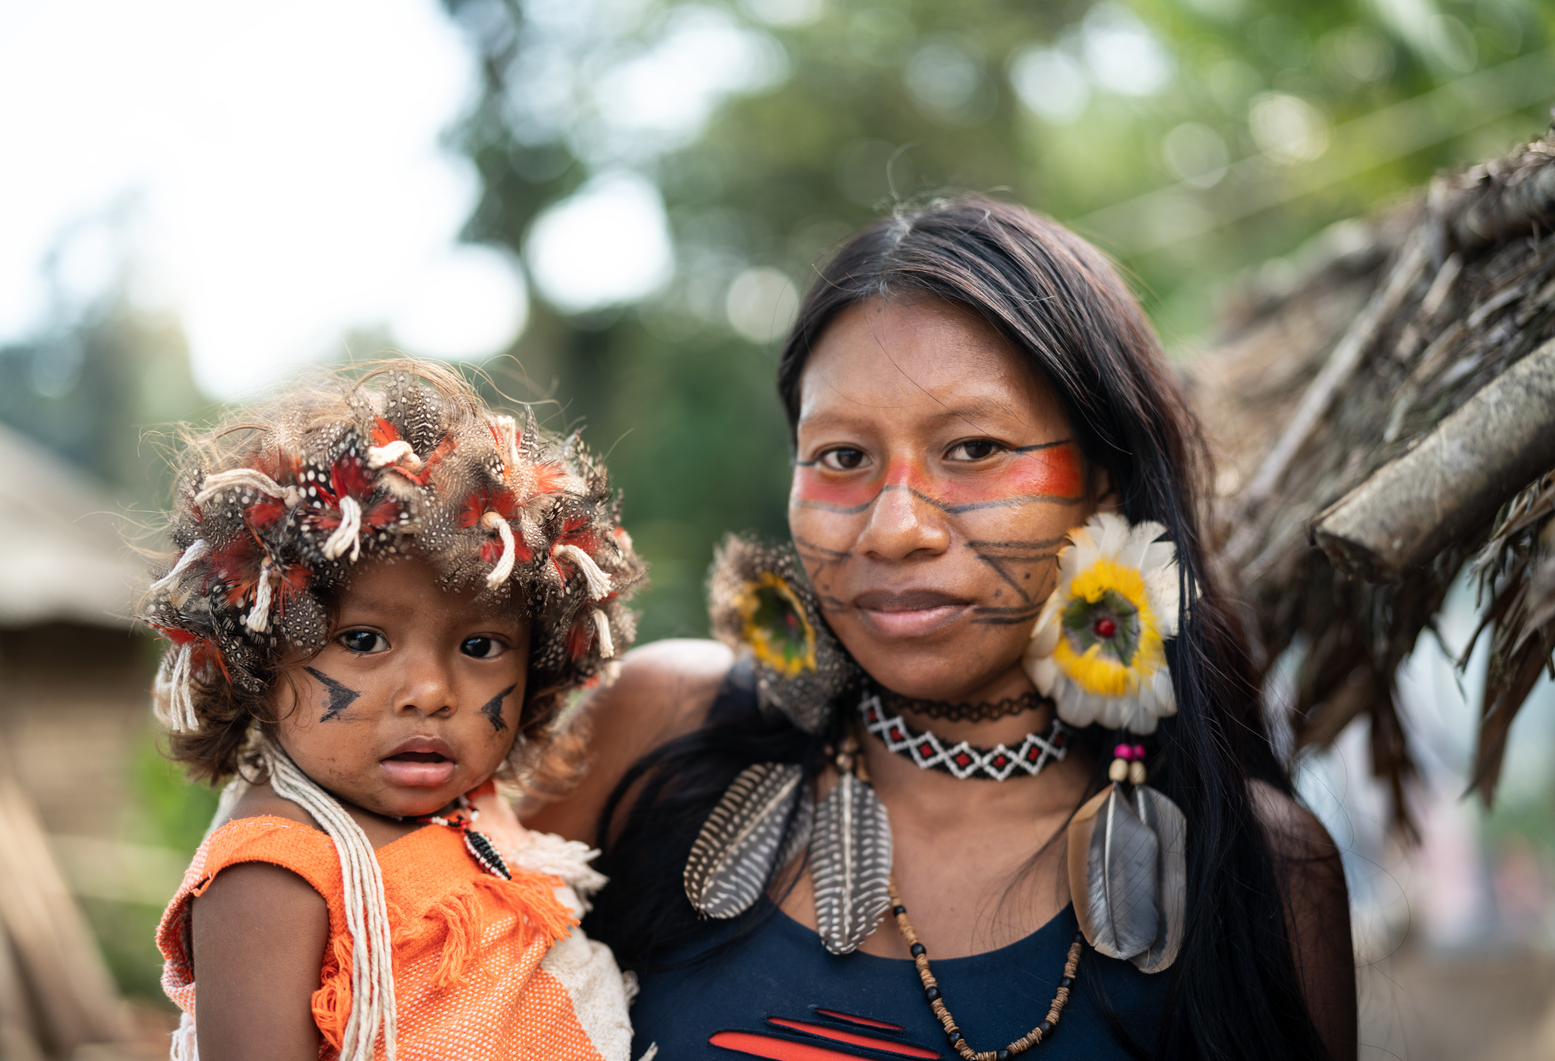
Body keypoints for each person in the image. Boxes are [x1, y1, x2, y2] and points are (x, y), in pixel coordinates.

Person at [521, 197, 1358, 1061]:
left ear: (1103, 480)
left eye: (972, 449)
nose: (894, 528)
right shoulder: (662, 723)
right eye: (842, 457)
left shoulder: (1259, 871)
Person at [139, 363, 646, 1061]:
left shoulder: (476, 810)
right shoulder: (271, 873)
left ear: (538, 665)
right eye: (363, 639)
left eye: (480, 645)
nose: (431, 692)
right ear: (258, 659)